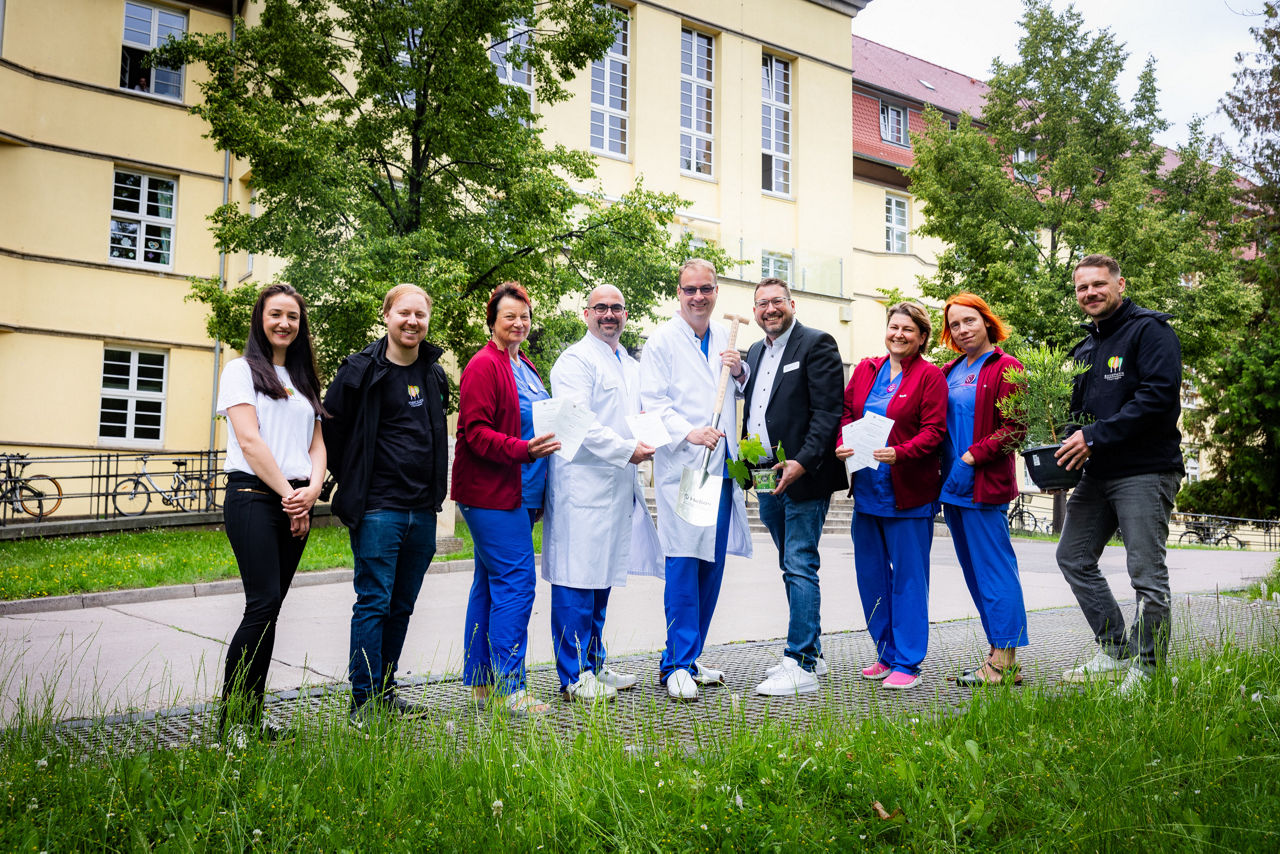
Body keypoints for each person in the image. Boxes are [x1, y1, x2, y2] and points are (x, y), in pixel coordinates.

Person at [1055, 254, 1184, 695]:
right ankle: (1114, 651)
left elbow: (1157, 398)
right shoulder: (1086, 346)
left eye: (1097, 284)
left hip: (1146, 470)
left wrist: (1093, 435)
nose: (1089, 293)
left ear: (1120, 284)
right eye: (1081, 288)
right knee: (1072, 557)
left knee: (1146, 575)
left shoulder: (1151, 331)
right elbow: (1082, 414)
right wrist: (1067, 440)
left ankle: (1148, 670)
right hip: (1098, 471)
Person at [322, 284, 449, 726]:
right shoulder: (359, 370)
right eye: (404, 313)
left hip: (422, 509)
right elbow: (329, 431)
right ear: (387, 316)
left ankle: (385, 689)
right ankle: (363, 702)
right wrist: (353, 477)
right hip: (378, 508)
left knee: (401, 605)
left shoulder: (434, 375)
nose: (412, 321)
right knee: (374, 601)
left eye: (421, 314)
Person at [542, 285, 663, 702]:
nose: (609, 315)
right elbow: (579, 423)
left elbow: (637, 416)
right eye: (601, 308)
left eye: (616, 308)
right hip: (583, 489)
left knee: (601, 582)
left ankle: (594, 663)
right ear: (586, 313)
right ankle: (574, 676)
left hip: (616, 488)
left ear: (626, 315)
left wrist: (649, 437)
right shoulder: (575, 361)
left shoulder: (627, 363)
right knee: (576, 580)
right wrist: (628, 449)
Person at [639, 259, 752, 701]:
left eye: (706, 288)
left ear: (717, 291)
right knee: (685, 563)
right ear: (679, 293)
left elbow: (743, 389)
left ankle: (689, 653)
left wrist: (739, 369)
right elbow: (652, 401)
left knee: (712, 566)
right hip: (687, 466)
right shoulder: (663, 341)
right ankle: (676, 665)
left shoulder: (728, 337)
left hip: (721, 470)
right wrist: (688, 431)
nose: (699, 297)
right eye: (690, 290)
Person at [217, 284, 327, 739]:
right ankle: (230, 723)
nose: (284, 323)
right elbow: (250, 440)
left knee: (271, 611)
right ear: (260, 320)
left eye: (293, 317)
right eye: (276, 314)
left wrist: (313, 491)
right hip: (254, 498)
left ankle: (253, 716)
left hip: (296, 500)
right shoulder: (240, 371)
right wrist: (289, 493)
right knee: (261, 605)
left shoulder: (303, 380)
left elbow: (318, 445)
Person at [453, 282, 561, 716]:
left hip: (521, 493)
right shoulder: (484, 365)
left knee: (489, 586)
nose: (518, 323)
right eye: (509, 316)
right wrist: (524, 450)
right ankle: (510, 688)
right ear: (492, 320)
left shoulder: (525, 365)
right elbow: (474, 433)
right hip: (491, 495)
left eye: (524, 317)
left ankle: (482, 685)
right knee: (517, 584)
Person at [740, 278, 846, 696]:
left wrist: (802, 462)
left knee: (800, 562)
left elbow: (827, 412)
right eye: (762, 303)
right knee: (789, 562)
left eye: (777, 301)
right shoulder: (754, 351)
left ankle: (799, 662)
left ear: (792, 304)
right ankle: (812, 654)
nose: (770, 309)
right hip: (766, 476)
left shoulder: (817, 344)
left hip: (804, 475)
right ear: (754, 311)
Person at [836, 302, 946, 690]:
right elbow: (847, 415)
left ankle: (909, 661)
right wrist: (842, 444)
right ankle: (885, 653)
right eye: (893, 327)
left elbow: (935, 432)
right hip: (867, 489)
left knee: (909, 581)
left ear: (921, 337)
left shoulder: (931, 377)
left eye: (908, 330)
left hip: (909, 495)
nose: (898, 335)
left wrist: (902, 452)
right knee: (871, 577)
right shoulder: (867, 370)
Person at [938, 293, 1028, 687]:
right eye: (955, 324)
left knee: (995, 572)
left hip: (982, 484)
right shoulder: (949, 370)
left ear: (986, 321)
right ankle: (998, 654)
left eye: (969, 320)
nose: (962, 329)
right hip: (952, 487)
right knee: (975, 574)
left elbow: (1015, 429)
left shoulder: (1007, 367)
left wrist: (972, 458)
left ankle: (1006, 658)